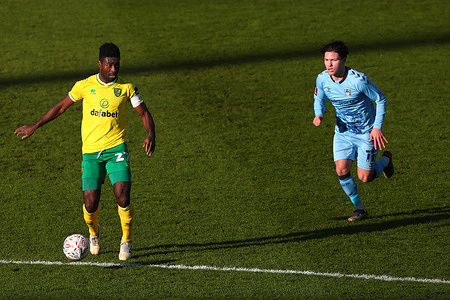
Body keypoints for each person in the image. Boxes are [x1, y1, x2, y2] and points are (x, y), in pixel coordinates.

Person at [15, 43, 156, 259]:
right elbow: (61, 107)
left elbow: (144, 113)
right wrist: (35, 125)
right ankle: (94, 233)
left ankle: (126, 240)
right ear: (100, 64)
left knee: (122, 196)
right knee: (90, 204)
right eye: (109, 65)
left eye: (117, 65)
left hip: (116, 149)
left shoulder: (127, 88)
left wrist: (150, 134)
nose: (113, 70)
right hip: (90, 153)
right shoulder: (84, 86)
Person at [313, 40, 393, 222]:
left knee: (365, 177)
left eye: (333, 60)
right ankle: (360, 209)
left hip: (366, 133)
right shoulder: (322, 78)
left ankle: (386, 160)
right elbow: (319, 97)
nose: (329, 64)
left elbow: (380, 99)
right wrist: (319, 114)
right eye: (326, 60)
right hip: (343, 132)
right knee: (341, 170)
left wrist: (377, 128)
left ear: (344, 60)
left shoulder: (358, 80)